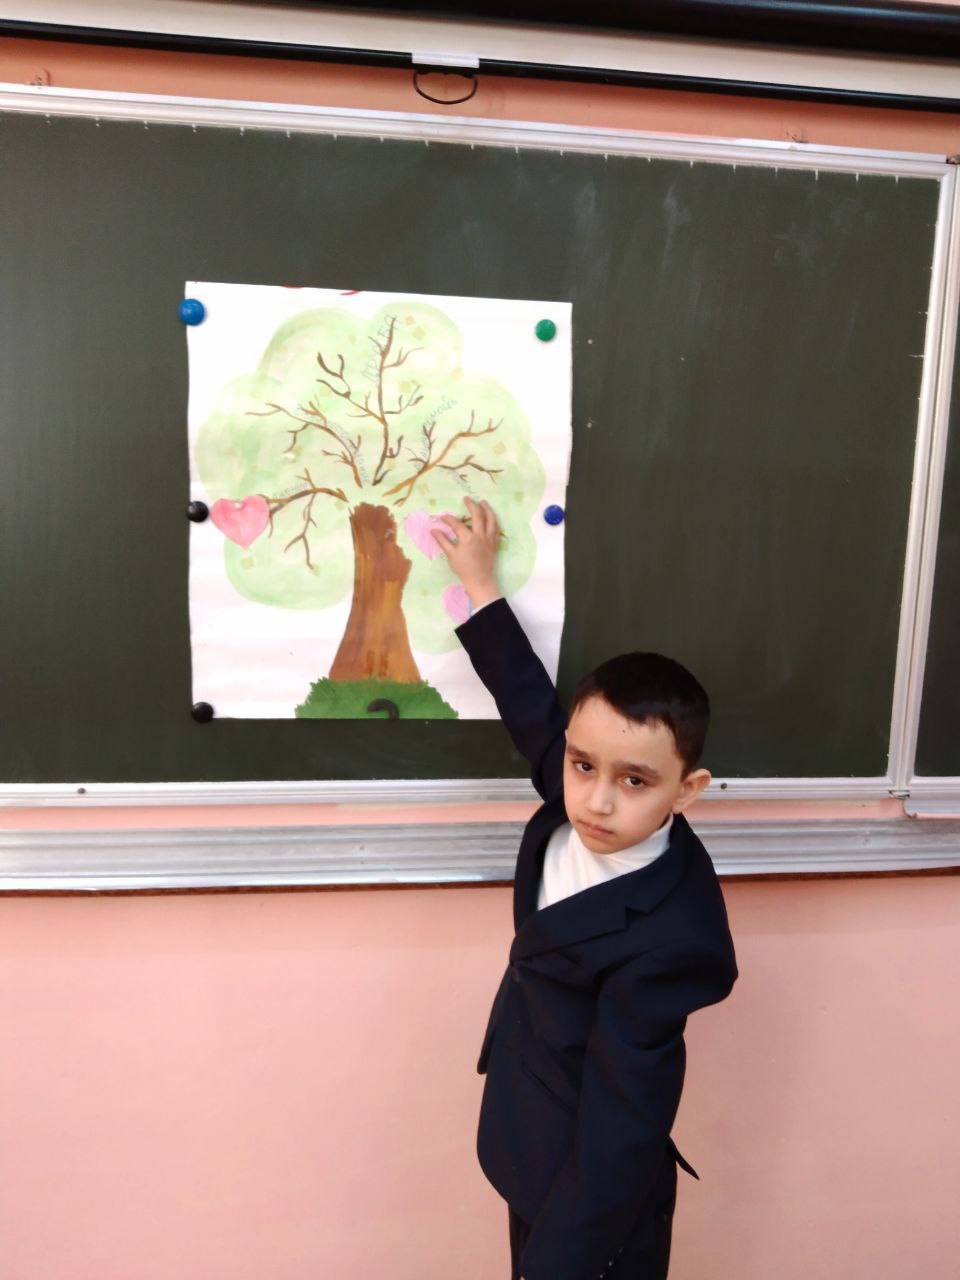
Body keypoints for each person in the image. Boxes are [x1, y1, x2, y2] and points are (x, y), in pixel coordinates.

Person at [431, 497, 739, 1280]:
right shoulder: (570, 786)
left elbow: (620, 1134)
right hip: (529, 1127)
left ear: (687, 789)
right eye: (582, 765)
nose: (596, 801)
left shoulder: (675, 942)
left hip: (596, 1204)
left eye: (634, 780)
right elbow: (525, 699)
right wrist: (480, 583)